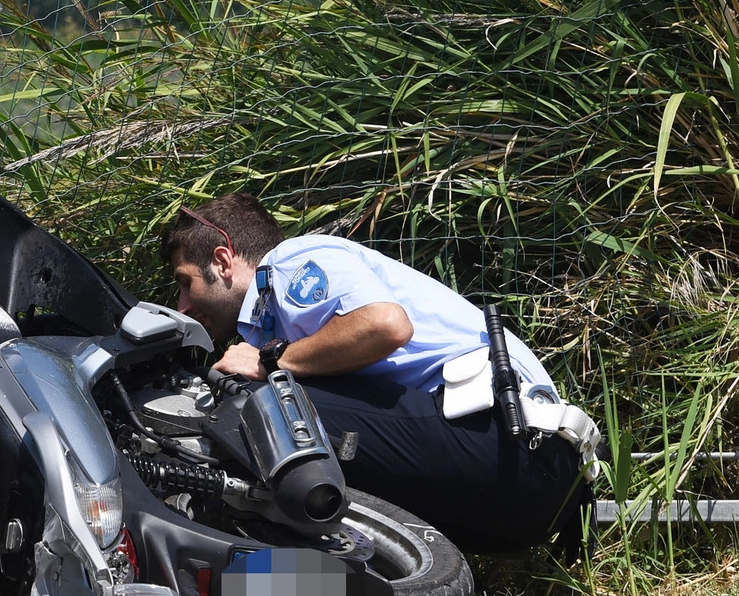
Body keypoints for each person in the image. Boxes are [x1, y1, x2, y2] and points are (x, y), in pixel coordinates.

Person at [162, 192, 598, 555]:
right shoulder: (272, 315)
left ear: (222, 260)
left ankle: (230, 571)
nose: (182, 304)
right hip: (530, 498)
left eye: (185, 283)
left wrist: (268, 361)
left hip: (514, 445)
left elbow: (385, 325)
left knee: (253, 411)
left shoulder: (290, 263)